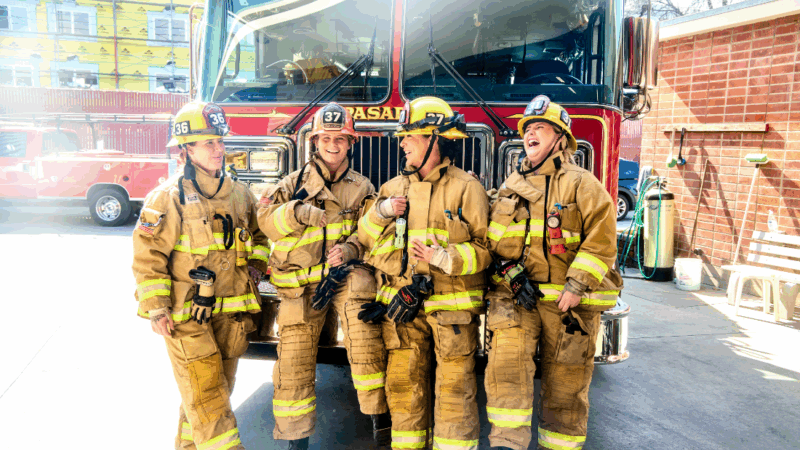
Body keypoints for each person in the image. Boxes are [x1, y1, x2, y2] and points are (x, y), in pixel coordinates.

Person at [483, 95, 622, 450]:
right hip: (518, 298)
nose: (530, 134)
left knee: (566, 389)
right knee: (507, 376)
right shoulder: (511, 185)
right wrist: (509, 269)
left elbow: (602, 241)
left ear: (560, 139)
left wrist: (576, 285)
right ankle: (505, 445)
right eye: (527, 129)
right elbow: (494, 239)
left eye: (540, 128)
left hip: (567, 304)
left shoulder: (582, 183)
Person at [132, 101, 269, 450]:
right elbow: (148, 256)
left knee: (210, 395)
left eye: (220, 141)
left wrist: (255, 266)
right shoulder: (167, 198)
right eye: (209, 142)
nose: (219, 149)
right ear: (186, 149)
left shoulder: (240, 194)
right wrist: (158, 308)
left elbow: (259, 236)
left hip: (231, 317)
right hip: (186, 317)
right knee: (209, 399)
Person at [357, 96, 491, 450]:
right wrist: (382, 212)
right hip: (403, 308)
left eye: (411, 136)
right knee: (403, 389)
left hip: (452, 311)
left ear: (435, 139)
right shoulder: (391, 189)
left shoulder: (468, 188)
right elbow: (366, 240)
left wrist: (446, 259)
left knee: (455, 393)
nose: (402, 144)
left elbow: (486, 250)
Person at [257, 103, 390, 450]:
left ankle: (381, 424)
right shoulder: (291, 184)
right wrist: (295, 211)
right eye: (326, 138)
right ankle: (295, 440)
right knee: (294, 361)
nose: (333, 145)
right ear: (315, 141)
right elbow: (265, 221)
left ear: (351, 143)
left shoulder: (362, 188)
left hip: (344, 278)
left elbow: (371, 232)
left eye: (340, 139)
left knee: (365, 342)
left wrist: (348, 249)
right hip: (302, 284)